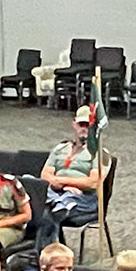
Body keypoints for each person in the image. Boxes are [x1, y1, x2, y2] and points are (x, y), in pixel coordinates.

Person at [34, 107, 104, 252]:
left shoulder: (98, 152)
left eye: (88, 125)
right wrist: (63, 186)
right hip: (57, 192)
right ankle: (58, 202)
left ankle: (44, 260)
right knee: (29, 183)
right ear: (74, 124)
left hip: (84, 200)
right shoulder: (60, 148)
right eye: (81, 124)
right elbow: (45, 176)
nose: (84, 128)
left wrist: (60, 181)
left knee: (48, 212)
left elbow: (93, 182)